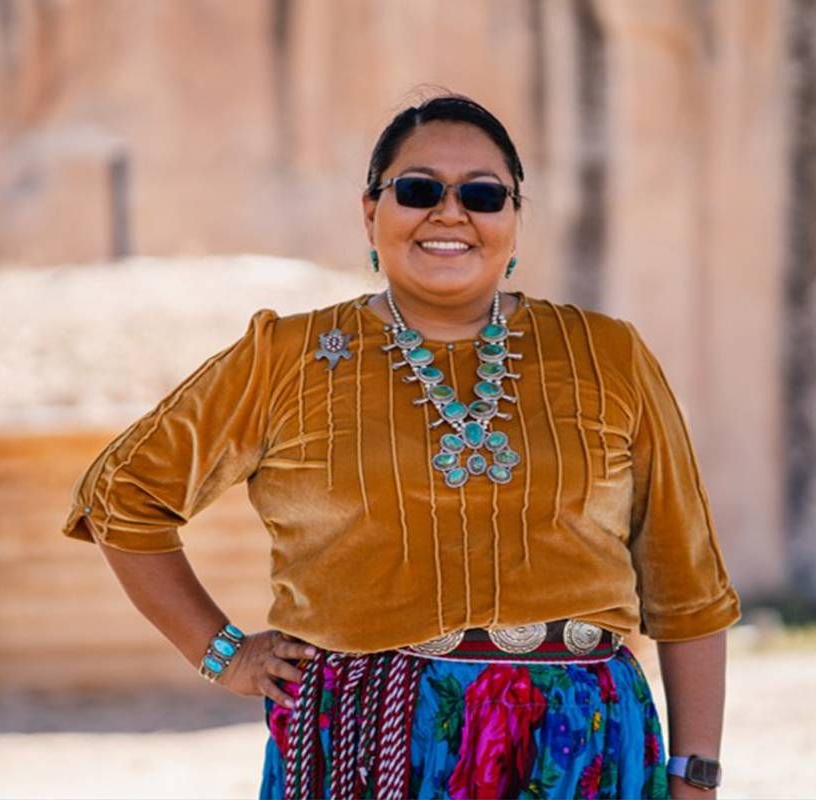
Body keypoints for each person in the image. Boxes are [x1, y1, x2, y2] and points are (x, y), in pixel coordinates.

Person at [61, 93, 740, 799]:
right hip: (367, 740)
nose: (451, 213)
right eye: (418, 190)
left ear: (514, 218)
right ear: (369, 213)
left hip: (582, 746)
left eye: (483, 193)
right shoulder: (286, 358)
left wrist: (695, 773)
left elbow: (685, 586)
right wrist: (222, 651)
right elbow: (124, 495)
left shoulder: (609, 356)